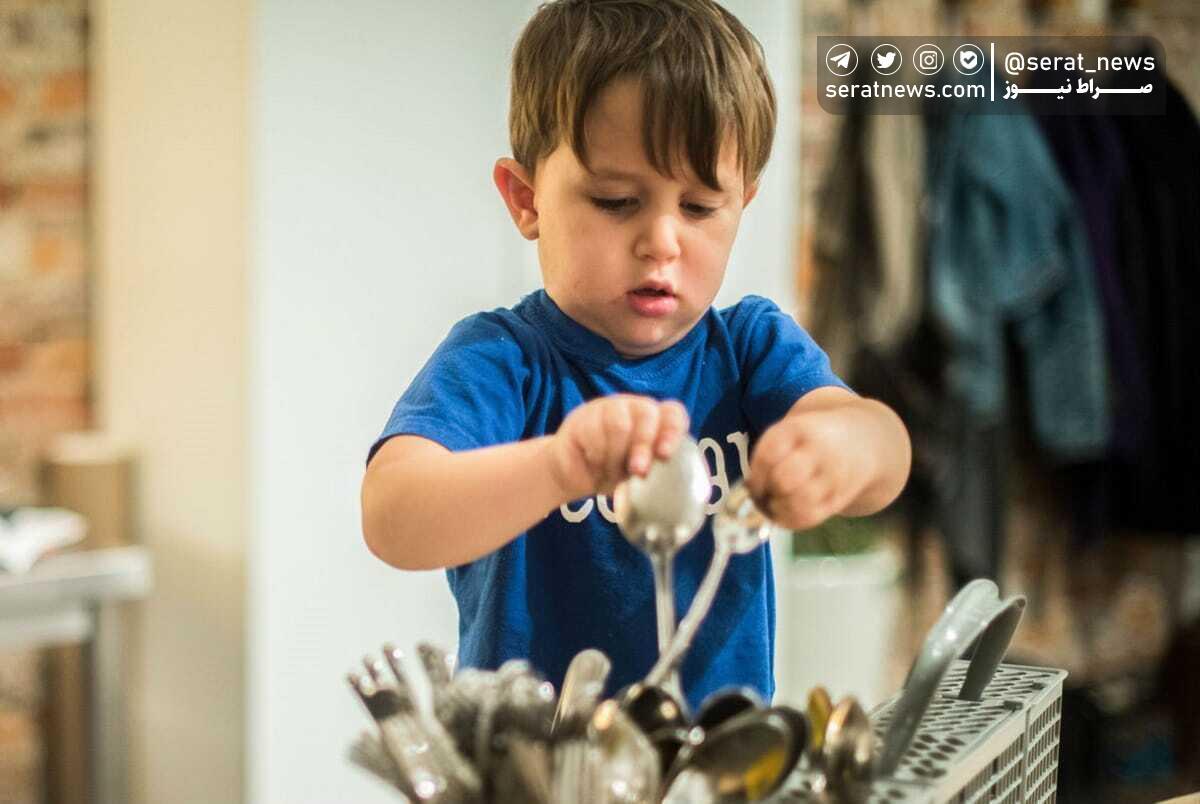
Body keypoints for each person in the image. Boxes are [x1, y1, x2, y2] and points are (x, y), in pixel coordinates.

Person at [361, 0, 911, 710]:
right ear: (526, 199)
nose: (662, 242)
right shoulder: (501, 361)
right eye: (617, 200)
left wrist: (840, 450)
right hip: (535, 759)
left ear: (743, 202)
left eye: (699, 207)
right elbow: (392, 516)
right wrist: (561, 467)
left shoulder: (751, 349)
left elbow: (885, 451)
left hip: (717, 757)